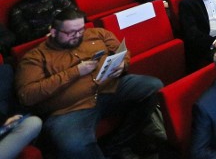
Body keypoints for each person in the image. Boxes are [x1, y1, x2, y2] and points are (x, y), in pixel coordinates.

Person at [16, 8, 164, 158]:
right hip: (70, 109)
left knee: (153, 87)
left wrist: (123, 64)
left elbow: (122, 51)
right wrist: (75, 72)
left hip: (109, 89)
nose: (78, 35)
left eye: (81, 30)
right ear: (53, 32)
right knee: (73, 144)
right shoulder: (35, 57)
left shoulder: (97, 33)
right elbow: (27, 95)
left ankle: (117, 144)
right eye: (71, 33)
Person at [0, 63, 42, 158]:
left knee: (33, 122)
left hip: (3, 129)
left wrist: (10, 119)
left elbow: (13, 102)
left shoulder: (5, 71)